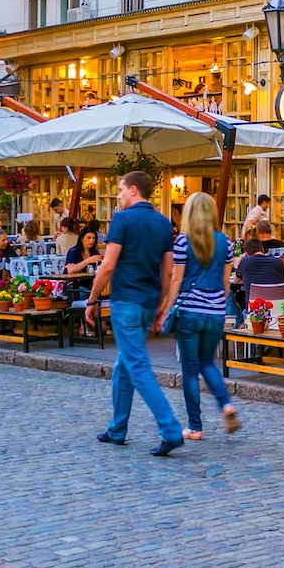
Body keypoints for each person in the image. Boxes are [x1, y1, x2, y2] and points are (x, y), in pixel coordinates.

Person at [88, 171, 185, 457]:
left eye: (120, 190)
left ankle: (170, 429)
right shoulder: (163, 223)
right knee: (124, 364)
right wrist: (163, 305)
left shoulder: (123, 220)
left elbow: (108, 266)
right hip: (148, 301)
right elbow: (167, 270)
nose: (118, 195)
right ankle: (117, 428)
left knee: (138, 366)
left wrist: (92, 299)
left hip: (126, 301)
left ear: (133, 190)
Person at [155, 192, 240, 443]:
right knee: (207, 362)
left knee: (190, 370)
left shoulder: (182, 241)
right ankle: (226, 405)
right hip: (215, 312)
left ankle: (195, 426)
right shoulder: (225, 242)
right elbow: (226, 283)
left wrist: (165, 308)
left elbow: (176, 280)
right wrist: (217, 303)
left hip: (190, 311)